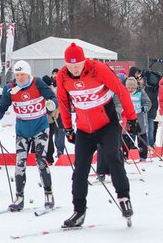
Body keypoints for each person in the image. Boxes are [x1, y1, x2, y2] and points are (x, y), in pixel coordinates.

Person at [56, 43, 138, 228]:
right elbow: (62, 101)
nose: (75, 69)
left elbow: (120, 90)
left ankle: (124, 197)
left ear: (84, 61)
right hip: (85, 129)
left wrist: (131, 117)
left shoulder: (97, 69)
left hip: (107, 125)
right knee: (80, 169)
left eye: (78, 65)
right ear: (66, 64)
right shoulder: (62, 76)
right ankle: (79, 211)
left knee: (112, 158)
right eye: (71, 65)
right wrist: (68, 128)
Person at [0, 60, 57, 211]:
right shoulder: (10, 88)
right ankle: (19, 198)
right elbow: (1, 107)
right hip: (22, 131)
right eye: (17, 74)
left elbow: (52, 97)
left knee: (41, 161)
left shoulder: (37, 83)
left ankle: (48, 194)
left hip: (40, 128)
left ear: (28, 74)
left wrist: (52, 104)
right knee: (20, 163)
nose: (20, 78)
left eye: (23, 74)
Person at [124, 77, 152, 161]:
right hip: (128, 117)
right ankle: (124, 155)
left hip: (139, 117)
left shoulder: (140, 92)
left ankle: (143, 156)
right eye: (129, 88)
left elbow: (148, 102)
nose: (131, 90)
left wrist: (145, 107)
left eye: (132, 88)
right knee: (126, 135)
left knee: (141, 135)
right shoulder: (124, 92)